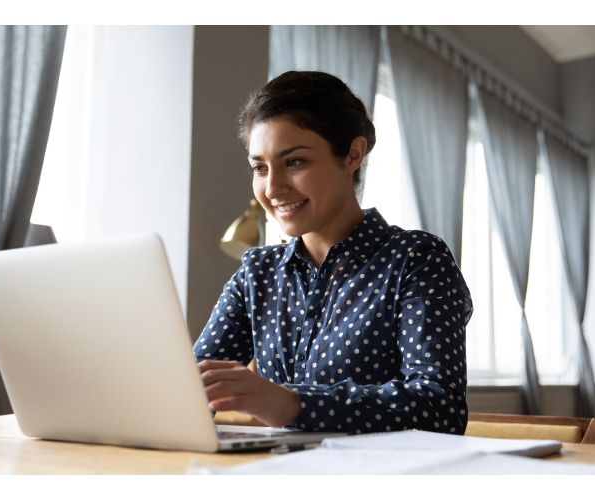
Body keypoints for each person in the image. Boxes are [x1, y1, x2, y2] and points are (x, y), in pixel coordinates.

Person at [194, 71, 473, 435]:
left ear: (353, 154)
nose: (272, 187)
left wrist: (291, 403)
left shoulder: (417, 260)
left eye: (294, 162)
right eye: (260, 168)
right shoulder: (256, 273)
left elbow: (441, 407)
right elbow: (193, 386)